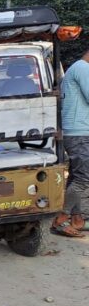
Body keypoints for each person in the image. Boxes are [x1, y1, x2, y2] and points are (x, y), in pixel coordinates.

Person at [51, 48, 89, 237]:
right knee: (84, 177)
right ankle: (60, 218)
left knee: (76, 176)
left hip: (76, 131)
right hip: (79, 132)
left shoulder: (77, 68)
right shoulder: (83, 68)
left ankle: (76, 218)